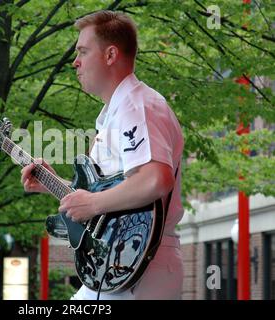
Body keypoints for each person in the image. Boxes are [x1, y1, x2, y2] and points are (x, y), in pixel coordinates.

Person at [21, 10, 184, 300]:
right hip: (122, 266)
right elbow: (112, 199)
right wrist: (55, 185)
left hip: (136, 268)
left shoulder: (136, 106)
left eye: (83, 51)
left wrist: (93, 202)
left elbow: (156, 180)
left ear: (110, 55)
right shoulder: (120, 110)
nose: (75, 62)